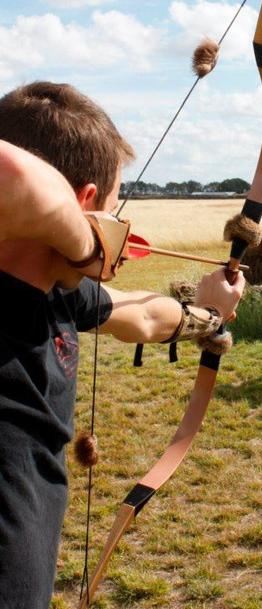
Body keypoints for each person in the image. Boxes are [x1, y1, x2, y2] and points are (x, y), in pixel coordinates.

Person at [0, 81, 245, 609]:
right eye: (115, 206)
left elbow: (143, 314)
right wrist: (89, 242)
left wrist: (210, 315)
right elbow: (12, 176)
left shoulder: (58, 292)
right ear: (87, 203)